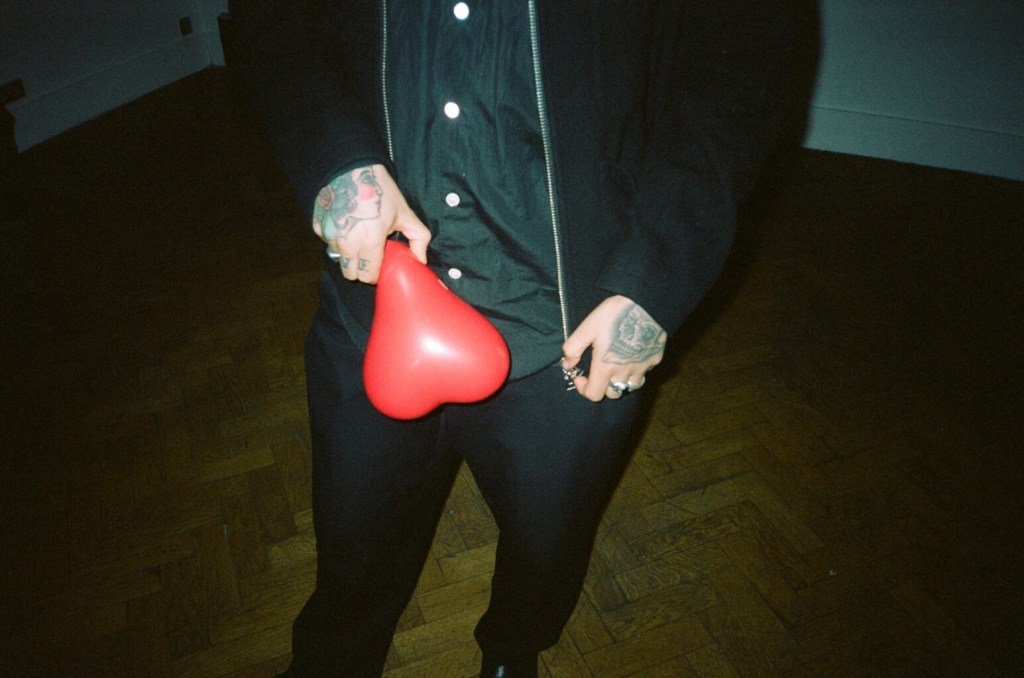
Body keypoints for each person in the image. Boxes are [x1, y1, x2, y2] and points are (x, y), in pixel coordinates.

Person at [230, 1, 794, 675]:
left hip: (579, 320)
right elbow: (275, 18)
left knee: (545, 550)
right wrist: (334, 154)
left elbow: (741, 62)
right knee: (352, 550)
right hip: (377, 305)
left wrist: (656, 272)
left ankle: (511, 654)